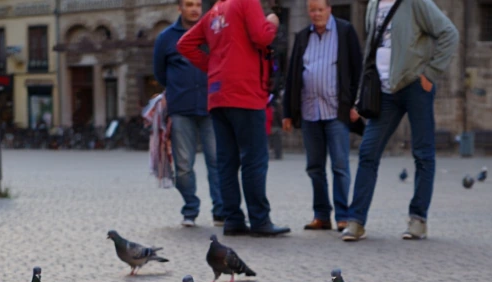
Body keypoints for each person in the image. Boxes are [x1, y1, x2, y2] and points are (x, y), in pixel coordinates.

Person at [342, 0, 458, 242]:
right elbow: (370, 51)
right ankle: (356, 221)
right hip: (384, 92)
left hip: (415, 87)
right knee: (368, 152)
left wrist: (431, 73)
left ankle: (418, 219)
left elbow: (449, 33)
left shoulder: (415, 2)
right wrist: (362, 92)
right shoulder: (373, 4)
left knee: (423, 153)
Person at [178, 0, 289, 236]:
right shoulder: (246, 2)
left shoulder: (214, 11)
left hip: (218, 94)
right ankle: (260, 220)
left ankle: (233, 220)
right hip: (244, 92)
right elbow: (262, 37)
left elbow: (185, 44)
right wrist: (272, 22)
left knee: (227, 162)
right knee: (254, 158)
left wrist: (216, 66)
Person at [283, 0, 363, 231]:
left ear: (329, 9)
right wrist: (288, 112)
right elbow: (292, 75)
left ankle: (343, 215)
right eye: (312, 10)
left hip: (336, 110)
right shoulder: (301, 37)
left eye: (320, 9)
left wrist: (357, 105)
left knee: (339, 165)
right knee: (314, 167)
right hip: (310, 112)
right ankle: (321, 215)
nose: (316, 14)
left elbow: (358, 70)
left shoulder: (344, 31)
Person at [155, 0, 226, 227]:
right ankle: (190, 208)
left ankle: (220, 211)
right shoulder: (166, 38)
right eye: (189, 4)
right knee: (183, 166)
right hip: (181, 110)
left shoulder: (212, 31)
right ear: (179, 8)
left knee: (216, 161)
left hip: (210, 107)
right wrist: (178, 91)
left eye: (197, 4)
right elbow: (160, 73)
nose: (194, 9)